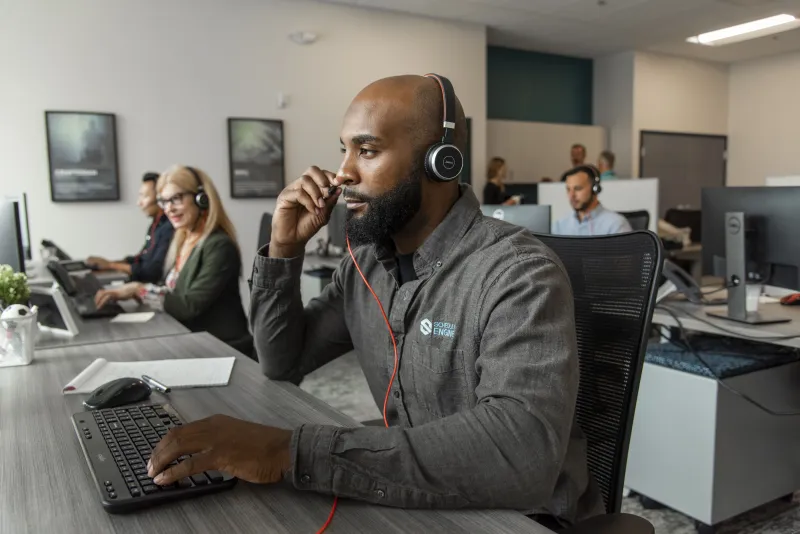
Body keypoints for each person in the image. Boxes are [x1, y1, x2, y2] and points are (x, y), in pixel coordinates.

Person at [144, 74, 603, 529]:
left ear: (440, 162)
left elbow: (518, 453)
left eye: (366, 150)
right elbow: (282, 360)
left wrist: (287, 450)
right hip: (420, 501)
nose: (342, 172)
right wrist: (284, 251)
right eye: (343, 149)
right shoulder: (364, 267)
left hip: (521, 519)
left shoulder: (517, 271)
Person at [94, 165, 252, 355]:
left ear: (201, 198)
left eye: (176, 199)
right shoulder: (183, 239)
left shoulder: (219, 246)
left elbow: (188, 305)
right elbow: (171, 290)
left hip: (222, 348)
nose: (168, 209)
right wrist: (133, 291)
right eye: (164, 201)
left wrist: (139, 289)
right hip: (192, 338)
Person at [87, 172, 174, 283]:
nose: (139, 203)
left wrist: (111, 265)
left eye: (145, 196)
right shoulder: (155, 226)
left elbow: (151, 272)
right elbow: (140, 259)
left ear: (160, 198)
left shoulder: (169, 228)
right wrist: (108, 263)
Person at [552, 165, 632, 236]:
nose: (571, 195)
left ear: (595, 189)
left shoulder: (616, 225)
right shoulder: (560, 225)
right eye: (568, 189)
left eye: (578, 188)